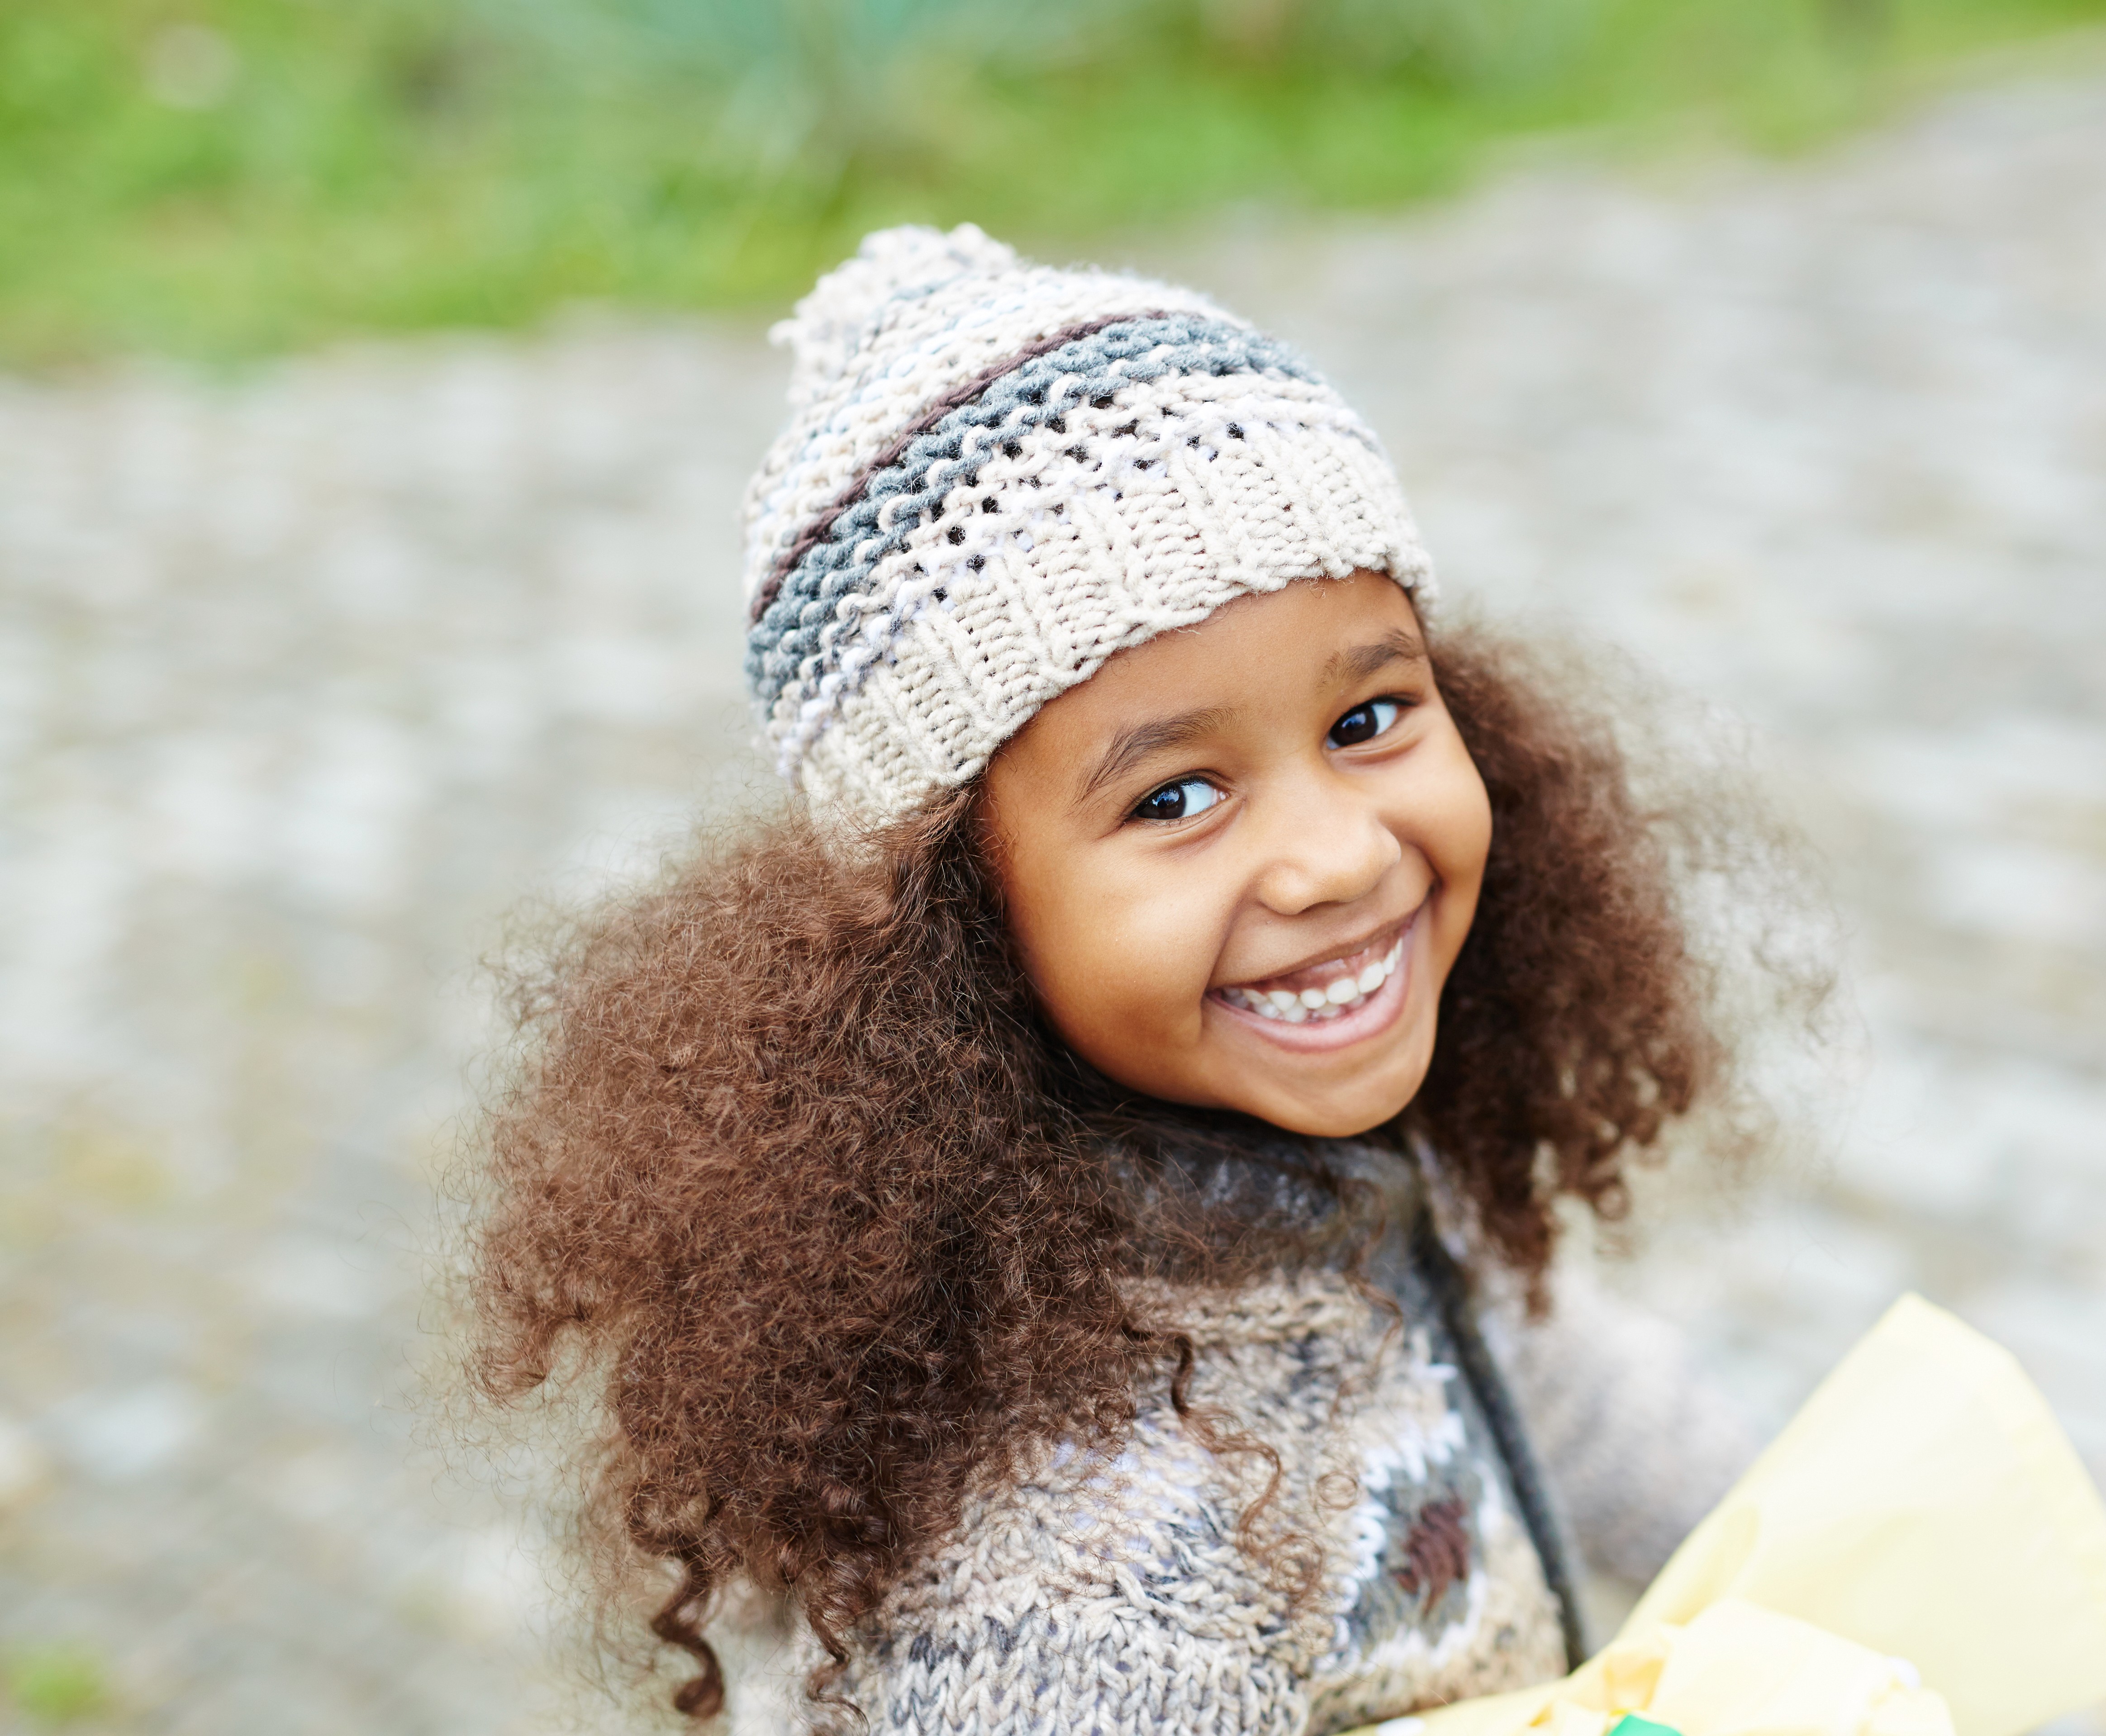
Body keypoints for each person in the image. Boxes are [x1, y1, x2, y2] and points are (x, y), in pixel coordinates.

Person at [465, 224, 1806, 1735]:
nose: (1336, 858)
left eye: (1369, 717)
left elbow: (1554, 1377)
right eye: (1175, 799)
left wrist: (1812, 1567)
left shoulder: (1320, 1179)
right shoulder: (1073, 1578)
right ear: (950, 929)